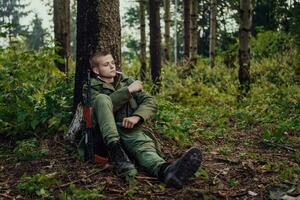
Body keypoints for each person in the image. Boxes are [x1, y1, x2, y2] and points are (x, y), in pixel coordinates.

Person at [84, 51, 202, 188]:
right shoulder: (90, 87)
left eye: (112, 63)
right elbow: (103, 107)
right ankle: (116, 152)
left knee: (144, 148)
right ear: (96, 70)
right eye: (106, 64)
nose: (112, 67)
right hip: (102, 134)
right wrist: (128, 91)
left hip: (126, 128)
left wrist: (137, 116)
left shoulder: (126, 81)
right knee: (102, 99)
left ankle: (167, 171)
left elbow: (150, 101)